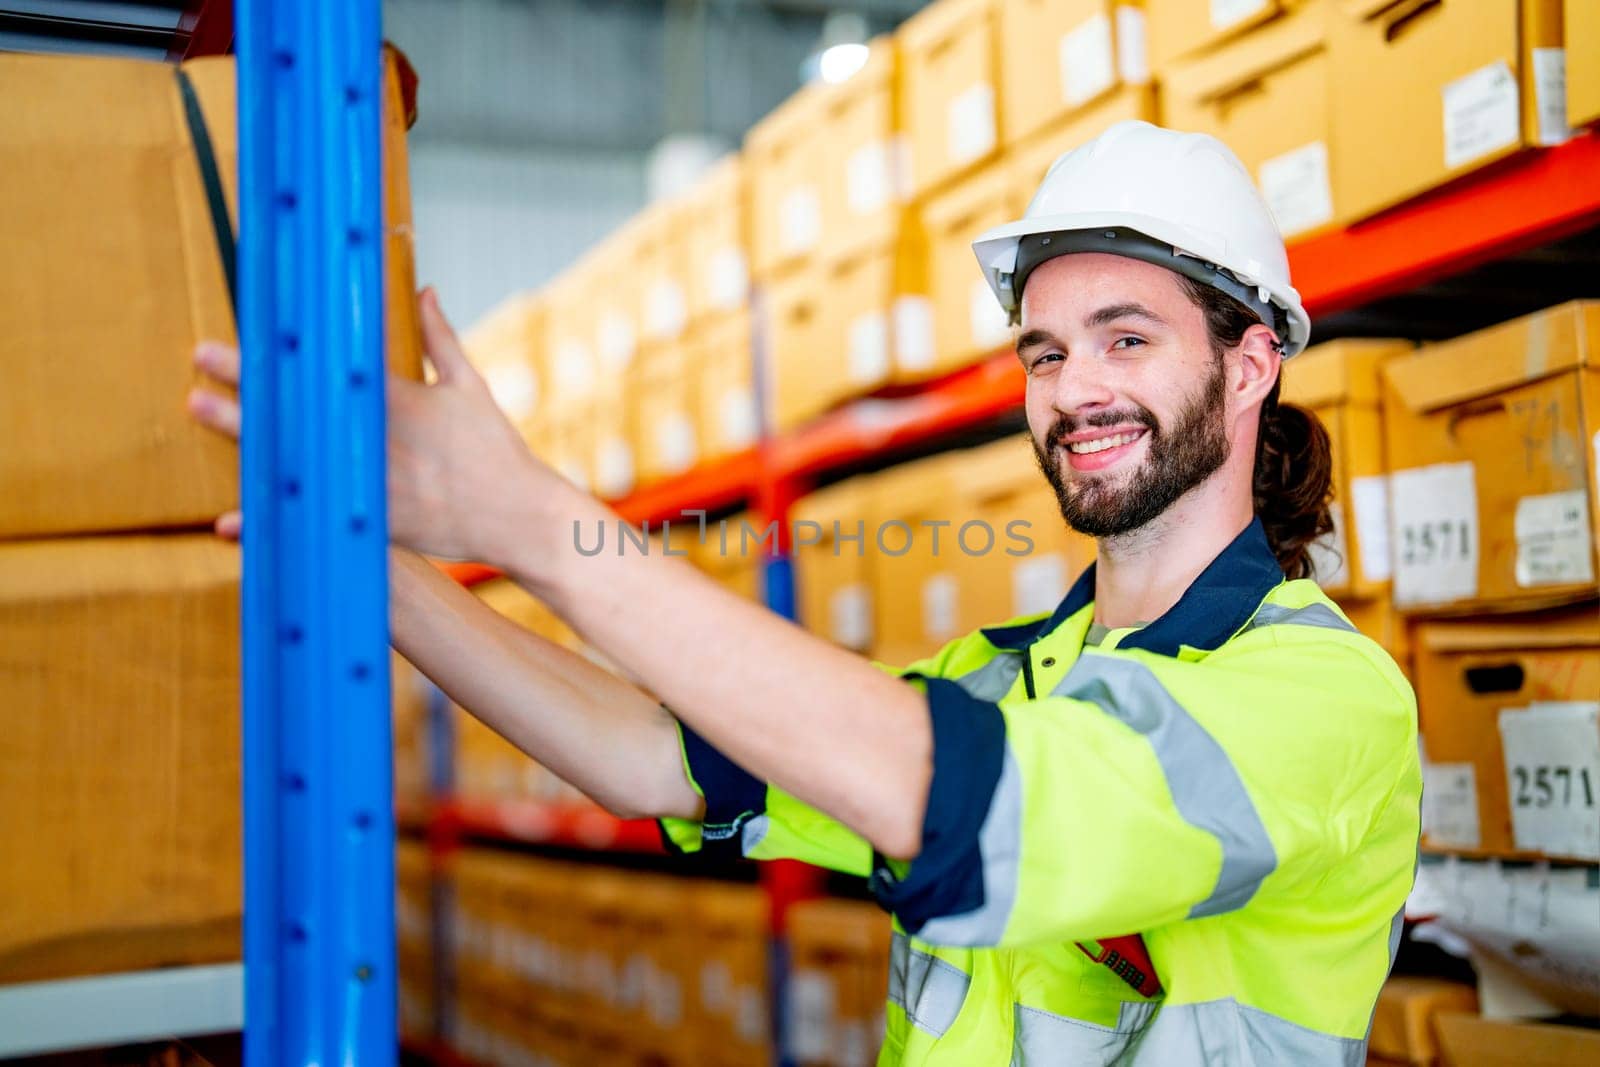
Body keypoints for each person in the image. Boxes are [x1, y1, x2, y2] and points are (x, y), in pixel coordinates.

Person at [189, 121, 1420, 1065]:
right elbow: (649, 754)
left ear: (1251, 361)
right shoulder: (996, 679)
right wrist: (370, 570)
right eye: (1044, 352)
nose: (1073, 388)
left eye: (1126, 337)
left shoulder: (1320, 696)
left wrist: (536, 522)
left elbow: (975, 807)